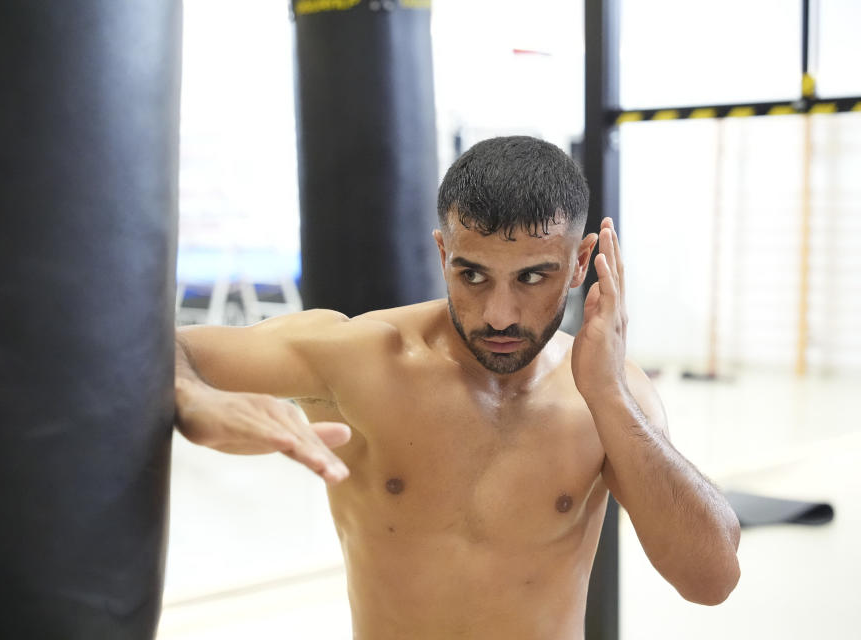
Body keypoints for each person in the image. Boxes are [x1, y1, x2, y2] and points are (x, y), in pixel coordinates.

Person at [173, 136, 741, 639]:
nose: (498, 315)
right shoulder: (358, 357)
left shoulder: (608, 395)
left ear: (580, 263)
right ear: (444, 254)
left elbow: (711, 578)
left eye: (532, 277)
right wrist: (195, 401)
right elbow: (161, 348)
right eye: (472, 275)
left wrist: (610, 396)